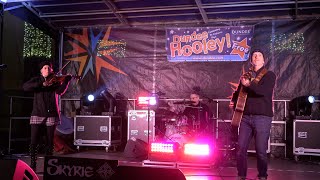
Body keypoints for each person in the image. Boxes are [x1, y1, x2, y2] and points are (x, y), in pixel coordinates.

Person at [230, 49, 276, 180]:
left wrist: (249, 84)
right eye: (254, 55)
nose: (256, 57)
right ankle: (241, 175)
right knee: (240, 149)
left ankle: (262, 175)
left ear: (263, 60)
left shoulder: (269, 75)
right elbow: (238, 92)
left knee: (261, 151)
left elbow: (263, 91)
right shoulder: (246, 76)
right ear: (251, 60)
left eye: (259, 55)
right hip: (245, 117)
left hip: (262, 117)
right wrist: (233, 101)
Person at [23, 61, 72, 171]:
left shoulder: (55, 82)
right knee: (34, 140)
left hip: (51, 113)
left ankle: (49, 164)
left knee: (50, 141)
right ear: (41, 71)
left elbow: (60, 92)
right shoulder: (36, 80)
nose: (48, 70)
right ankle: (33, 163)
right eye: (45, 68)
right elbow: (25, 87)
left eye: (49, 68)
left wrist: (66, 81)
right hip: (37, 112)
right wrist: (41, 84)